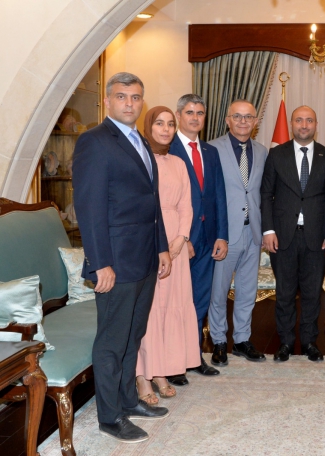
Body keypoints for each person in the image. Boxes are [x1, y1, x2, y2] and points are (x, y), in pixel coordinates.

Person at [72, 72, 171, 443]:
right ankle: (110, 416)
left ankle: (128, 400)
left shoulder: (139, 139)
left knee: (133, 335)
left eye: (135, 97)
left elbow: (151, 202)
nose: (130, 103)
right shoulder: (94, 141)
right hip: (115, 261)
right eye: (122, 96)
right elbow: (89, 207)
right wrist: (100, 263)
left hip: (144, 257)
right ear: (108, 101)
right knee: (112, 340)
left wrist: (161, 246)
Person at [135, 106, 201, 404]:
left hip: (177, 242)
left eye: (170, 124)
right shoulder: (139, 159)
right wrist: (162, 243)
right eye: (159, 123)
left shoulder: (178, 162)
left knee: (173, 306)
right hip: (148, 239)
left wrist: (181, 238)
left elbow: (187, 205)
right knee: (151, 310)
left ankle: (161, 371)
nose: (165, 129)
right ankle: (143, 377)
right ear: (148, 126)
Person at [261, 106, 325, 362]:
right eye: (299, 120)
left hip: (317, 237)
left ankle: (310, 341)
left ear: (316, 124)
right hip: (282, 236)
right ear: (291, 124)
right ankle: (286, 342)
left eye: (309, 120)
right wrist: (268, 229)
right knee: (285, 293)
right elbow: (266, 194)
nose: (304, 125)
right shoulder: (276, 154)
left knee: (312, 293)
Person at [167, 94, 228, 384]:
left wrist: (222, 235)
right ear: (179, 115)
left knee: (199, 300)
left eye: (200, 113)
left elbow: (218, 196)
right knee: (176, 301)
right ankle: (174, 362)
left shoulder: (210, 151)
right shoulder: (167, 148)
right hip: (180, 241)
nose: (195, 117)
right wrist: (182, 235)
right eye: (189, 112)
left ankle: (194, 357)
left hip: (207, 238)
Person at [209, 100, 268, 364]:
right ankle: (219, 341)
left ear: (255, 121)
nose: (243, 121)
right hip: (224, 234)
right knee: (218, 292)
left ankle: (242, 340)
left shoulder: (262, 151)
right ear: (228, 120)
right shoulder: (212, 149)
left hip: (252, 232)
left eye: (248, 117)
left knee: (247, 290)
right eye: (237, 116)